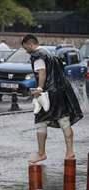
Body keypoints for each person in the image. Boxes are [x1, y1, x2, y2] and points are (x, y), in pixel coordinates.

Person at [21, 34, 83, 163]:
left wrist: (39, 88)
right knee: (63, 119)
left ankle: (41, 153)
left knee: (40, 121)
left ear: (30, 44)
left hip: (48, 93)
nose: (26, 51)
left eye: (26, 47)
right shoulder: (49, 52)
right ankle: (70, 152)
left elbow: (42, 72)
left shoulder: (37, 55)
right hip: (61, 90)